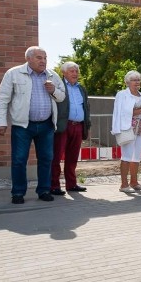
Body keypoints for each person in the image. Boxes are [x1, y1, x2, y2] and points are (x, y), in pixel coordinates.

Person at [0, 46, 66, 204]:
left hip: (46, 125)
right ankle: (18, 193)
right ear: (28, 59)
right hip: (22, 126)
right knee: (19, 160)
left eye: (45, 58)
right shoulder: (14, 73)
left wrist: (53, 90)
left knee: (46, 158)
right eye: (39, 58)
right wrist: (0, 121)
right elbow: (2, 99)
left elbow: (61, 96)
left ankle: (44, 190)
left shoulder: (52, 75)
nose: (43, 61)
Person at [50, 61, 91, 196]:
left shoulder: (81, 89)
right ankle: (54, 185)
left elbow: (86, 107)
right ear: (64, 73)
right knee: (56, 157)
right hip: (63, 126)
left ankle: (71, 184)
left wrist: (87, 125)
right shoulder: (59, 86)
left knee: (73, 158)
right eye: (71, 71)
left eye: (76, 71)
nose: (75, 74)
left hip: (78, 126)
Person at [111, 70, 141, 193]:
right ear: (127, 82)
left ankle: (134, 182)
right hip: (127, 128)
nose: (137, 82)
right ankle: (124, 184)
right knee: (127, 155)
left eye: (138, 80)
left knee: (136, 157)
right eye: (134, 80)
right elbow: (123, 113)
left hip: (140, 128)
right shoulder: (122, 94)